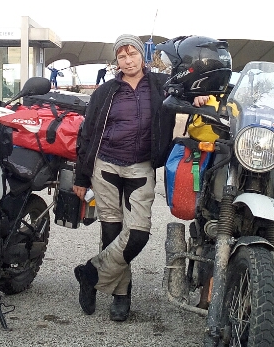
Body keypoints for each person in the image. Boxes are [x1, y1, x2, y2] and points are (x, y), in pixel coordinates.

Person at [72, 34, 209, 322]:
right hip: (105, 166)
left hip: (141, 167)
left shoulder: (162, 85)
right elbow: (87, 134)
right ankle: (121, 295)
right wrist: (81, 177)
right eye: (121, 56)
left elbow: (186, 92)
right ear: (117, 62)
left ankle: (91, 274)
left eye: (132, 53)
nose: (128, 60)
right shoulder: (105, 92)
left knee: (137, 233)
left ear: (141, 56)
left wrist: (198, 96)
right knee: (111, 233)